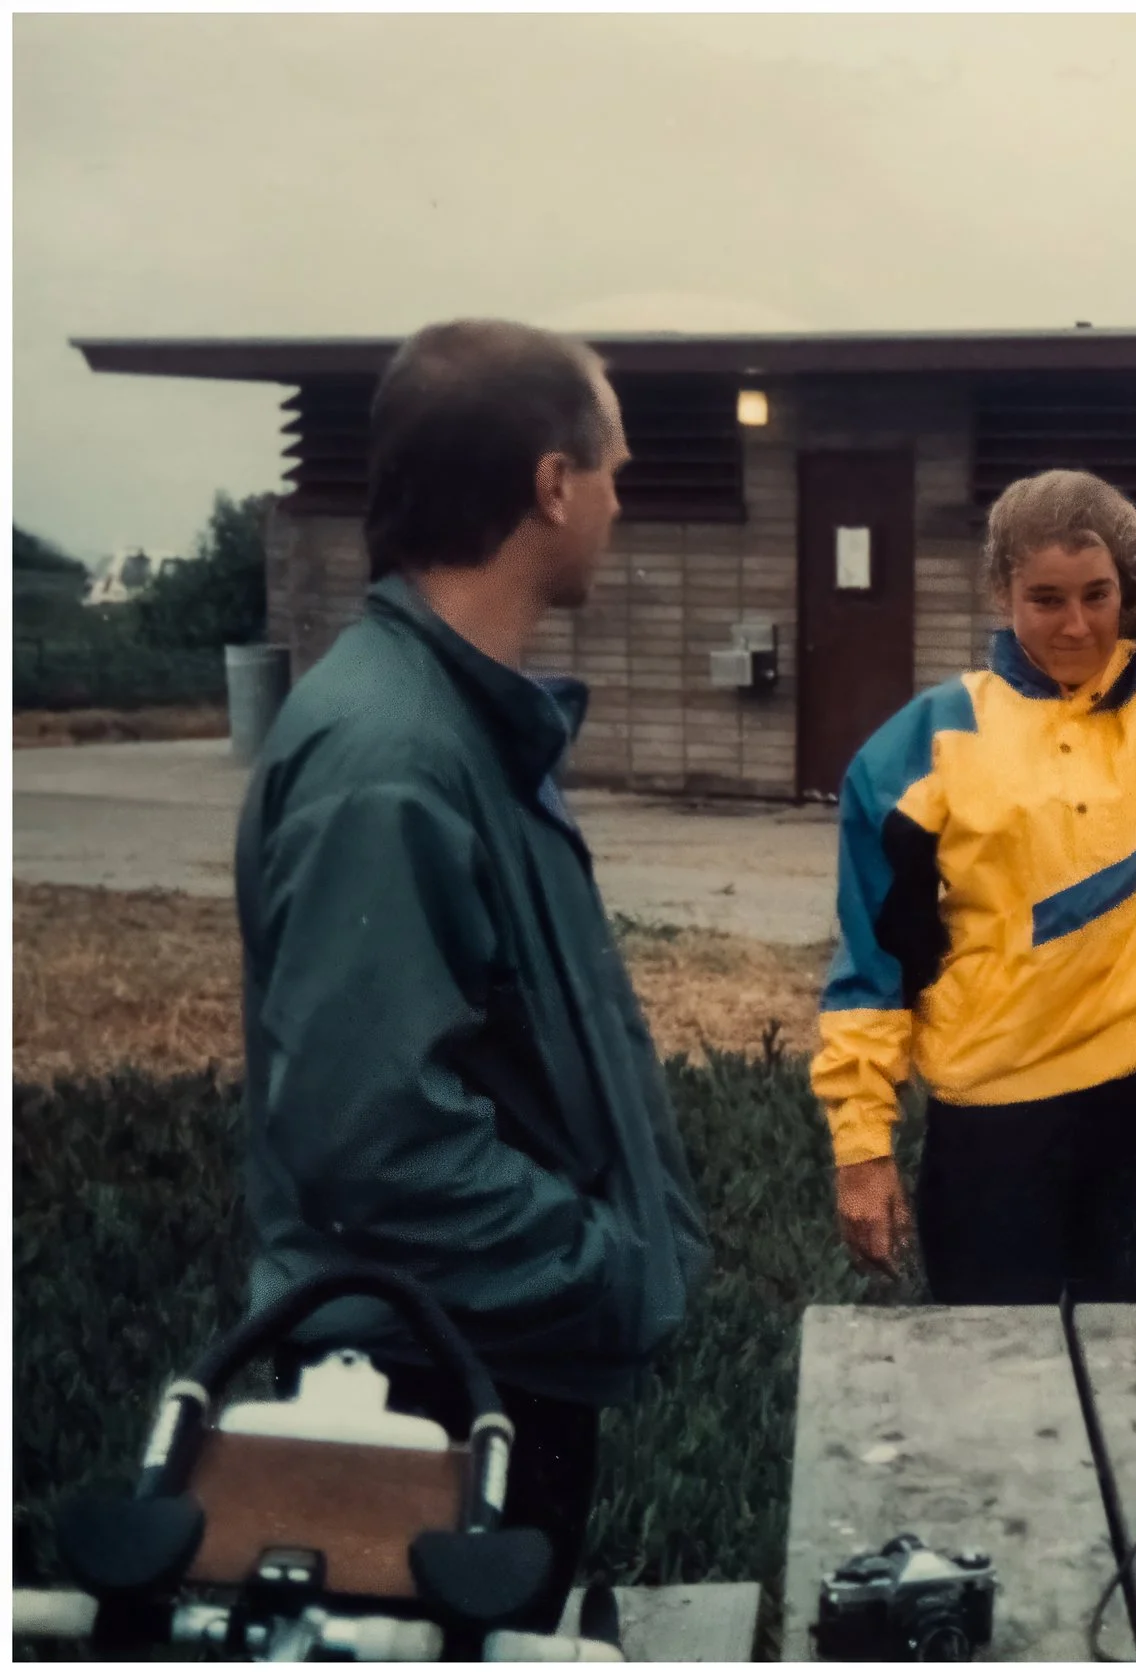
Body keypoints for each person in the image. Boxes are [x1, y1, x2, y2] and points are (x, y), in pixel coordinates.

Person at [235, 320, 711, 1629]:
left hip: (485, 1352)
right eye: (611, 467)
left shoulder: (455, 719)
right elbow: (369, 1135)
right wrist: (606, 1262)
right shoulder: (392, 756)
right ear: (553, 485)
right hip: (434, 1377)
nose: (620, 497)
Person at [813, 470, 1136, 1303]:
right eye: (1044, 598)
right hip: (995, 1118)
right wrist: (862, 1149)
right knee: (1001, 1395)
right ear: (999, 591)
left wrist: (1135, 568)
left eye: (1098, 594)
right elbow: (874, 967)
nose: (1076, 626)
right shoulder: (922, 744)